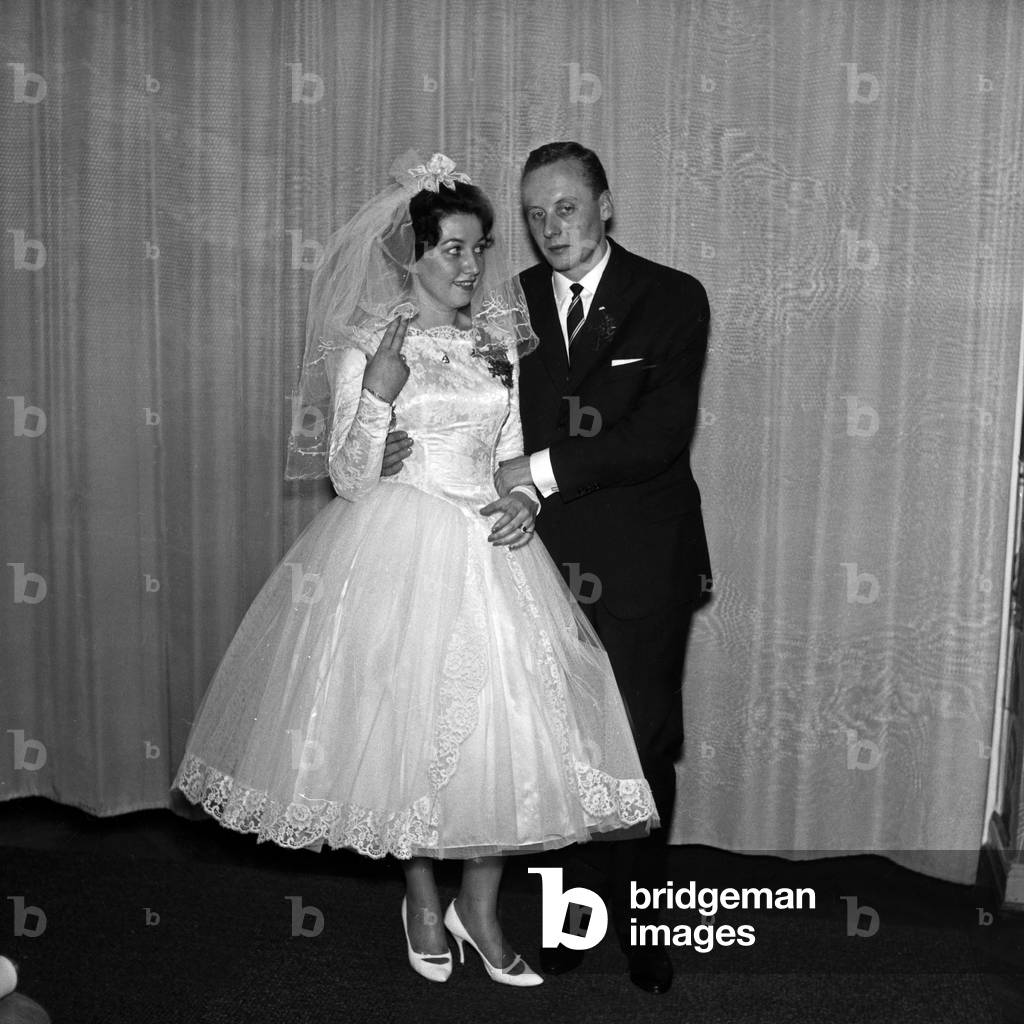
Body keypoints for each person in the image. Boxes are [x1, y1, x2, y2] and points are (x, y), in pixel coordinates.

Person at [172, 152, 657, 988]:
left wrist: (527, 503)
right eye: (455, 251)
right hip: (399, 548)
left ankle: (481, 906)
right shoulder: (370, 343)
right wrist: (379, 398)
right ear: (413, 255)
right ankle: (422, 900)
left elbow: (508, 455)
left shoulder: (500, 336)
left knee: (504, 734)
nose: (475, 266)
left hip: (491, 547)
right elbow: (353, 475)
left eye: (480, 248)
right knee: (402, 728)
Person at [499, 141, 712, 994]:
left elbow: (661, 436)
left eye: (567, 208)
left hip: (641, 566)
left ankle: (645, 922)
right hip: (531, 563)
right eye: (535, 213)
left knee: (642, 747)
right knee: (558, 754)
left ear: (606, 206)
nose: (552, 227)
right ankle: (567, 918)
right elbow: (486, 412)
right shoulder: (507, 303)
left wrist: (540, 470)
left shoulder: (671, 297)